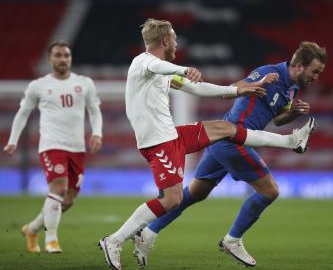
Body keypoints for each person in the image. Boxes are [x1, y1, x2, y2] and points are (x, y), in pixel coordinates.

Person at [98, 19, 316, 270]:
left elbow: (200, 89)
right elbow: (158, 65)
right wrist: (182, 69)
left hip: (172, 135)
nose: (178, 43)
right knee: (172, 199)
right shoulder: (144, 63)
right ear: (165, 41)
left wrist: (240, 91)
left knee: (225, 129)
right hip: (157, 142)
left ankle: (291, 141)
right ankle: (114, 240)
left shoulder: (164, 74)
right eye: (175, 38)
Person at [3, 41, 103, 253]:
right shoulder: (38, 86)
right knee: (58, 187)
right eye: (58, 55)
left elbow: (94, 111)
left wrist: (97, 133)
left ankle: (32, 228)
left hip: (77, 148)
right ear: (50, 59)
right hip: (51, 144)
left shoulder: (84, 83)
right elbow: (23, 113)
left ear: (70, 58)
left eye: (66, 55)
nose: (62, 59)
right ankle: (51, 239)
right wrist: (13, 140)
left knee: (68, 200)